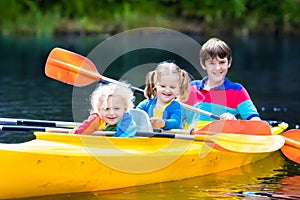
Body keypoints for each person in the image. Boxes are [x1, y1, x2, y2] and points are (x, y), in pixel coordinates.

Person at [185, 37, 261, 128]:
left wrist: (235, 122)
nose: (217, 68)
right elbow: (174, 114)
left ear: (229, 63)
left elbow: (257, 124)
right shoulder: (191, 88)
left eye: (222, 62)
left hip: (224, 139)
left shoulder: (238, 91)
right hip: (194, 138)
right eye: (212, 63)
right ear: (203, 64)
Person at [136, 61, 190, 130]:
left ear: (179, 89)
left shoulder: (176, 107)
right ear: (155, 85)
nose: (167, 90)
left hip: (168, 140)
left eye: (172, 87)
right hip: (148, 139)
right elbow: (136, 114)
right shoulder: (146, 104)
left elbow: (176, 122)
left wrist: (163, 123)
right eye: (163, 86)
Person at [70, 82, 136, 137]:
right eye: (106, 109)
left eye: (116, 108)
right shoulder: (97, 119)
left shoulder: (127, 120)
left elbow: (121, 139)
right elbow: (81, 131)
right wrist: (73, 136)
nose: (112, 113)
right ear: (99, 110)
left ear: (125, 109)